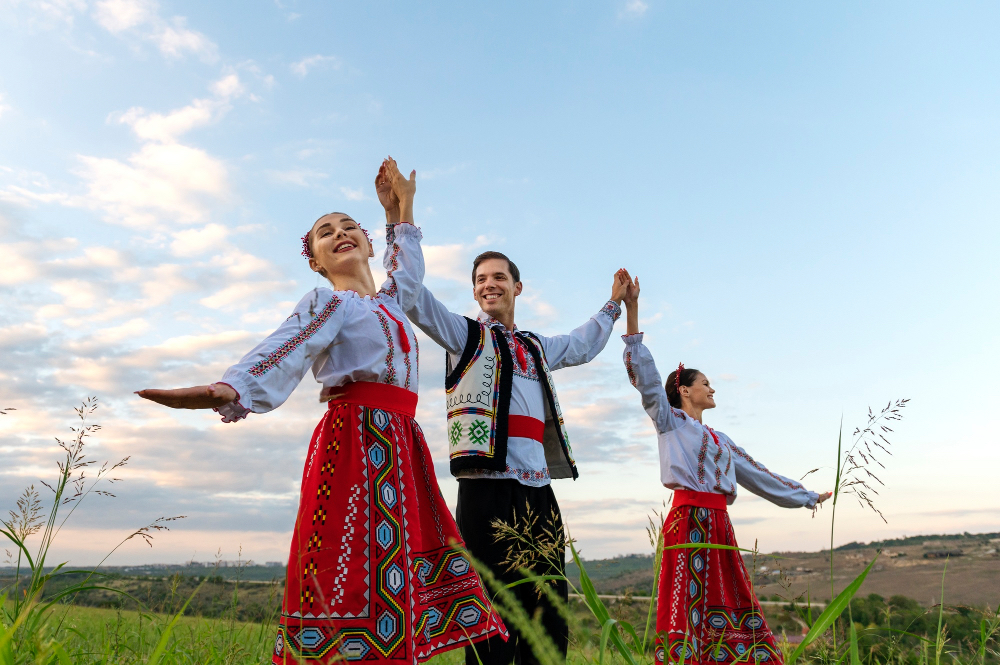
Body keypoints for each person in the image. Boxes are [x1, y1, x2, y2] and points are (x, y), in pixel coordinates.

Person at [135, 172, 507, 664]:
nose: (339, 232)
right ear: (315, 260)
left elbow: (409, 271)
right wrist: (228, 388)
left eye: (348, 225)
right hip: (354, 440)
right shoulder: (328, 303)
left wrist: (400, 209)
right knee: (348, 567)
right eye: (325, 232)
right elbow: (287, 344)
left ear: (370, 246)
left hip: (401, 444)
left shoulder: (394, 302)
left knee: (399, 569)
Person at [376, 158, 629, 665]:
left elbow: (582, 344)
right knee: (489, 611)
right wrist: (400, 217)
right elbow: (409, 295)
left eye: (499, 277)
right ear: (473, 291)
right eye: (480, 279)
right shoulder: (462, 335)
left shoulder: (537, 346)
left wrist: (614, 304)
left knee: (547, 603)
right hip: (485, 486)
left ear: (518, 286)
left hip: (537, 489)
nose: (489, 284)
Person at [618, 271, 831, 665]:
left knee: (734, 599)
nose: (712, 388)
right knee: (685, 607)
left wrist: (805, 496)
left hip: (719, 525)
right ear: (684, 389)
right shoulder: (669, 422)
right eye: (705, 383)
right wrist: (632, 309)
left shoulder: (721, 441)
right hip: (687, 521)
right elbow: (644, 379)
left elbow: (759, 475)